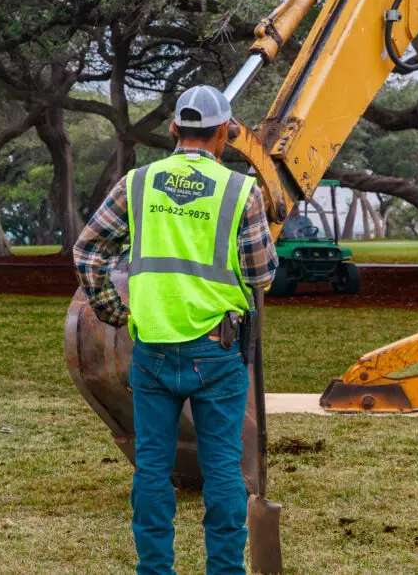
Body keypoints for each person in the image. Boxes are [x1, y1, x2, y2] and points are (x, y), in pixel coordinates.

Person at [74, 85, 278, 575]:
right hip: (217, 353)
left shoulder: (137, 183)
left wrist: (111, 309)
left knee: (153, 469)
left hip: (153, 352)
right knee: (224, 471)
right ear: (226, 133)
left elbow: (87, 250)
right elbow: (262, 275)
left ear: (174, 130)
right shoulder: (241, 191)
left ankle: (155, 569)